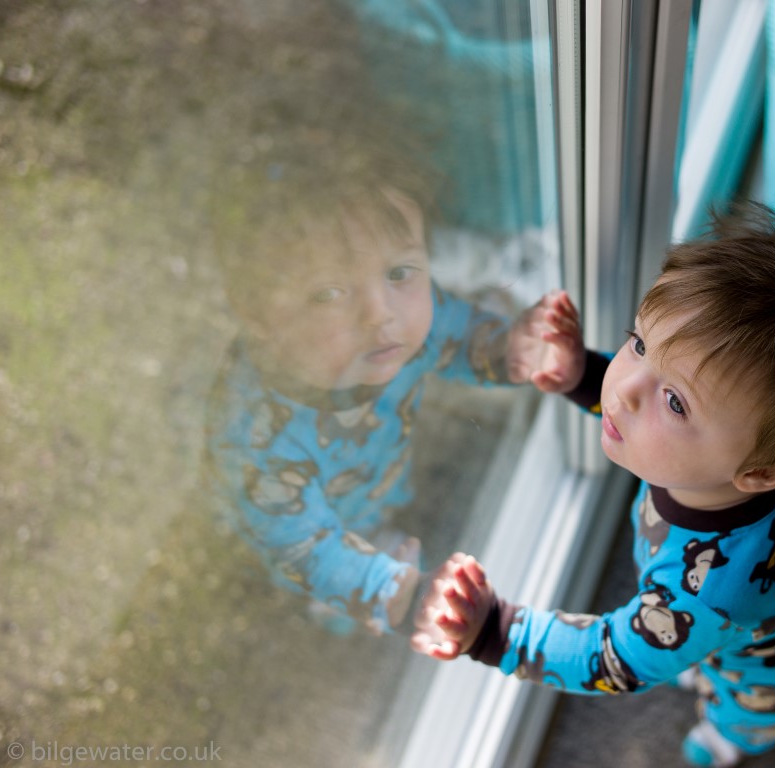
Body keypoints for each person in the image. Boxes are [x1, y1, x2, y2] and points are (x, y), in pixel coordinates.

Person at [411, 203, 775, 767]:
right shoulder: (755, 461)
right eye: (639, 343)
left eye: (674, 401)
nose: (622, 390)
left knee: (744, 711)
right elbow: (631, 407)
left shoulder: (712, 591)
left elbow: (611, 659)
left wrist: (494, 632)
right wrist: (580, 377)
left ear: (766, 473)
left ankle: (733, 742)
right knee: (709, 635)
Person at [203, 124, 575, 638]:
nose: (381, 314)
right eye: (330, 293)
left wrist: (502, 349)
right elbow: (302, 545)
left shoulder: (391, 328)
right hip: (311, 527)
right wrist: (392, 593)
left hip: (370, 477)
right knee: (329, 577)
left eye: (399, 272)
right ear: (258, 317)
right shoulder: (258, 444)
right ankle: (337, 609)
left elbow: (453, 333)